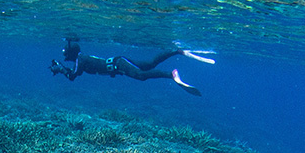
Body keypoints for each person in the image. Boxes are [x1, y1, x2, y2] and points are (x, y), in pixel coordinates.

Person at [49, 37, 215, 96]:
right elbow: (73, 73)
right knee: (148, 64)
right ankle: (176, 51)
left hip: (119, 65)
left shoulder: (81, 60)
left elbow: (72, 76)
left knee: (141, 76)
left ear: (71, 53)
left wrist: (60, 68)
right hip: (119, 62)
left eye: (65, 53)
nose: (65, 56)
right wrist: (61, 68)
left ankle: (170, 75)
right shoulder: (81, 59)